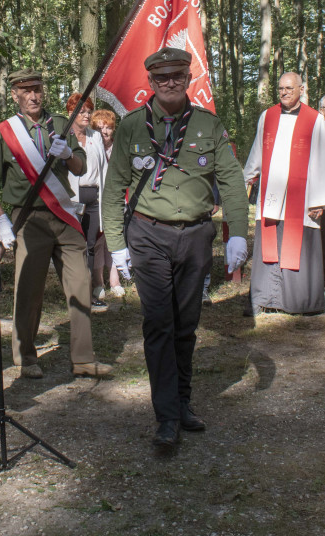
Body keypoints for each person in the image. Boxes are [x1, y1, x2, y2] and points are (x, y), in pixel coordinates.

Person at [102, 47, 248, 448]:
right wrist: (116, 245)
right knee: (158, 324)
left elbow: (232, 181)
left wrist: (238, 231)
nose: (170, 83)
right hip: (148, 235)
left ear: (188, 79)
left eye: (177, 77)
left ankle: (183, 403)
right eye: (162, 78)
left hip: (197, 235)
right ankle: (165, 415)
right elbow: (113, 189)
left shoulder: (208, 125)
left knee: (186, 324)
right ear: (150, 82)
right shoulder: (132, 126)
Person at [0, 69, 112, 380]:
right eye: (25, 90)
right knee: (29, 290)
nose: (33, 95)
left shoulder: (61, 123)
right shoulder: (3, 133)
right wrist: (1, 221)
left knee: (81, 283)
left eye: (37, 89)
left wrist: (68, 153)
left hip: (64, 214)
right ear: (15, 94)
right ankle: (25, 356)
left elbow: (81, 165)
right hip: (28, 217)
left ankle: (83, 358)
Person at [243, 72, 325, 315]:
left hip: (301, 198)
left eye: (289, 88)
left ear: (301, 89)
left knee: (298, 245)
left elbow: (321, 160)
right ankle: (264, 298)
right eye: (281, 88)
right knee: (269, 243)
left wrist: (319, 199)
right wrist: (247, 176)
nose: (285, 92)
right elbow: (258, 149)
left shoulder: (315, 120)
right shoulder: (267, 116)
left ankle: (299, 302)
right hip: (270, 194)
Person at [65, 93, 108, 311]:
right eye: (81, 111)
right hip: (72, 198)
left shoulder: (96, 136)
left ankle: (90, 293)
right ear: (70, 113)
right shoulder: (65, 137)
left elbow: (104, 168)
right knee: (75, 246)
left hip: (94, 198)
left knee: (91, 246)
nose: (86, 114)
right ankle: (75, 293)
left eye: (88, 111)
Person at [89, 108, 124, 301]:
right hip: (95, 201)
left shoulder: (119, 148)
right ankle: (98, 283)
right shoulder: (90, 147)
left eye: (108, 127)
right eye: (100, 127)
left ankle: (115, 281)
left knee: (114, 239)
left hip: (117, 201)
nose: (104, 131)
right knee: (97, 241)